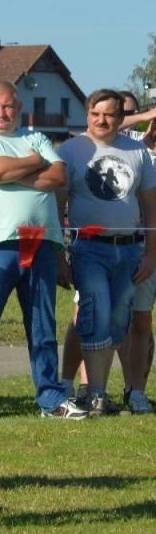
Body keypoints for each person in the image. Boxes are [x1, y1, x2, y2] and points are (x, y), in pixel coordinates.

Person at [0, 81, 84, 419]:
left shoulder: (35, 137)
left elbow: (58, 176)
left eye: (9, 106)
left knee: (43, 324)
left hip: (38, 242)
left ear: (19, 107)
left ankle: (49, 397)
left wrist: (11, 172)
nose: (2, 113)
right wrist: (33, 163)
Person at [57, 89, 156, 416]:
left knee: (118, 321)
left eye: (110, 114)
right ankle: (96, 392)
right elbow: (58, 206)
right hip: (90, 249)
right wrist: (60, 255)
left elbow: (150, 208)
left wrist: (150, 254)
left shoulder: (137, 151)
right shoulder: (71, 150)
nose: (102, 120)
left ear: (120, 117)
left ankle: (99, 392)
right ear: (87, 114)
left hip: (129, 250)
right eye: (96, 114)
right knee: (96, 314)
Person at [117, 90, 155, 413]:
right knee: (111, 321)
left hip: (149, 246)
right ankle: (97, 386)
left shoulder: (145, 149)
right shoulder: (120, 144)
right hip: (126, 245)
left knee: (142, 322)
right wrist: (144, 117)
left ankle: (137, 390)